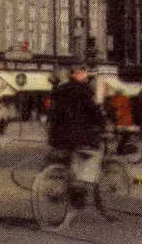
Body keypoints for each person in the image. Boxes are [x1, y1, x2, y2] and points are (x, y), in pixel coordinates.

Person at [47, 64, 106, 208]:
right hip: (77, 136)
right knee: (95, 153)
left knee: (73, 157)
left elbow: (52, 113)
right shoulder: (83, 91)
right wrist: (103, 123)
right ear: (76, 74)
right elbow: (93, 111)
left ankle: (69, 181)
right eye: (83, 72)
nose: (85, 75)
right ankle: (79, 186)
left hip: (57, 136)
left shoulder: (60, 91)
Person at [106, 88, 135, 155]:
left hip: (121, 121)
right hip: (128, 120)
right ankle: (121, 149)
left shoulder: (115, 99)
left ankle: (120, 150)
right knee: (125, 135)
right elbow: (130, 107)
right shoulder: (126, 98)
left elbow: (111, 108)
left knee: (120, 134)